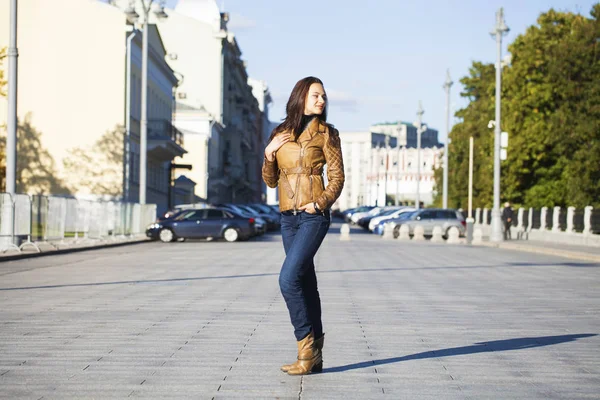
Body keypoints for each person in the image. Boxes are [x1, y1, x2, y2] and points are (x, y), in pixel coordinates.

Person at [262, 77, 345, 375]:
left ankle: (305, 350)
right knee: (306, 283)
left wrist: (319, 203)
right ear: (301, 98)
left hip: (313, 216)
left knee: (288, 279)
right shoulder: (280, 133)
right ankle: (316, 357)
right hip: (288, 219)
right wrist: (269, 154)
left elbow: (337, 179)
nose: (322, 100)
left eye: (323, 96)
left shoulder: (327, 134)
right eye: (315, 95)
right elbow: (271, 181)